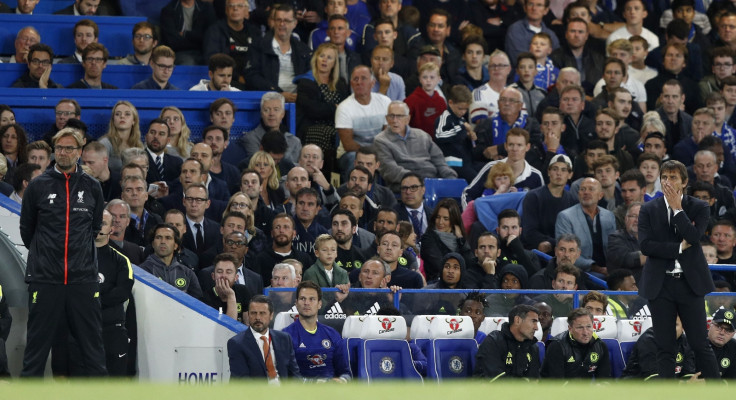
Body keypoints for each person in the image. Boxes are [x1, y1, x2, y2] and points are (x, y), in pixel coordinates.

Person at [19, 127, 107, 377]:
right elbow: (28, 230)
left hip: (83, 279)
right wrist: (46, 255)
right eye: (59, 148)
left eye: (69, 148)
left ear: (79, 152)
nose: (64, 153)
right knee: (35, 350)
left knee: (93, 350)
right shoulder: (38, 186)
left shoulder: (92, 187)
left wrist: (77, 255)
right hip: (45, 279)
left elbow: (94, 226)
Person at [638, 159, 720, 379]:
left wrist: (677, 209)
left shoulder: (699, 207)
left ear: (684, 182)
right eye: (664, 177)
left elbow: (693, 237)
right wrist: (678, 247)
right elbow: (645, 246)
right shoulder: (648, 208)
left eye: (673, 177)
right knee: (665, 346)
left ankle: (718, 390)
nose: (667, 181)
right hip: (660, 284)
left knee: (700, 343)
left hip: (689, 283)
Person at [374, 101, 457, 192]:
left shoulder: (422, 135)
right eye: (391, 116)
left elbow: (440, 162)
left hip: (431, 182)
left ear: (408, 119)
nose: (394, 120)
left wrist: (451, 179)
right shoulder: (381, 140)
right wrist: (417, 182)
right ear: (386, 118)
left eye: (399, 116)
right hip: (404, 185)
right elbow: (390, 170)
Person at [295, 43, 349, 174]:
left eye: (329, 57)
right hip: (310, 127)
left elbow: (346, 108)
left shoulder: (340, 83)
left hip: (335, 127)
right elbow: (313, 110)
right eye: (322, 56)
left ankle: (335, 175)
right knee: (328, 134)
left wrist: (333, 109)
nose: (324, 60)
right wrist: (334, 108)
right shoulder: (306, 82)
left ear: (335, 63)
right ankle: (325, 174)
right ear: (316, 58)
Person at [282, 281, 350, 382]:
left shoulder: (332, 334)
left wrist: (341, 381)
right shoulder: (285, 336)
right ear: (296, 303)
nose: (306, 303)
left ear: (319, 304)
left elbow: (346, 373)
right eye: (302, 299)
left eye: (312, 299)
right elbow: (286, 377)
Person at [244, 4, 311, 101]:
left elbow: (309, 76)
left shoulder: (303, 50)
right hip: (268, 101)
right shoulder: (258, 46)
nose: (282, 24)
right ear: (273, 22)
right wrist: (277, 93)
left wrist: (301, 96)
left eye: (287, 21)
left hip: (298, 103)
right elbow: (252, 76)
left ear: (295, 23)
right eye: (279, 20)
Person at [335, 65, 392, 178]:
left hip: (379, 151)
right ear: (351, 84)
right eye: (355, 79)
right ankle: (354, 194)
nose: (359, 82)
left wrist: (375, 155)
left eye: (363, 78)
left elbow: (388, 137)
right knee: (356, 161)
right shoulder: (344, 107)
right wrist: (370, 156)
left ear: (372, 83)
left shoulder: (385, 102)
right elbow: (348, 145)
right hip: (351, 153)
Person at [227, 295, 302, 380]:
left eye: (262, 313)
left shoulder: (284, 339)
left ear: (271, 315)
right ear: (248, 315)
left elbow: (295, 375)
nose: (258, 317)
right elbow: (242, 382)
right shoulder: (237, 343)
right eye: (253, 313)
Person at [555, 177, 616, 276]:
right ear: (578, 194)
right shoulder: (566, 217)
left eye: (591, 189)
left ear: (600, 195)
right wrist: (598, 269)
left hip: (608, 269)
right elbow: (566, 253)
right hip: (580, 271)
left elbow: (613, 247)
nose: (586, 192)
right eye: (582, 189)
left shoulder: (609, 216)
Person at [521, 154, 576, 253]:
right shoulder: (533, 197)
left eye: (563, 170)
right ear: (548, 172)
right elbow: (529, 232)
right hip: (539, 250)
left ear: (570, 175)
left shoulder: (573, 200)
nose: (559, 173)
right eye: (555, 169)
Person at [474, 304, 541, 380]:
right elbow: (495, 379)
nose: (536, 328)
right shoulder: (493, 341)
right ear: (517, 320)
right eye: (533, 322)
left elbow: (534, 381)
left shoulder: (533, 347)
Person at [541, 308, 611, 379]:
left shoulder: (600, 345)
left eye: (589, 327)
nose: (585, 332)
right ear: (570, 329)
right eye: (580, 327)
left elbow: (604, 379)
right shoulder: (557, 345)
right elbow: (556, 383)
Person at [202, 0, 259, 88]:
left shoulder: (255, 32)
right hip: (227, 81)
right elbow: (213, 60)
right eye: (231, 5)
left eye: (240, 6)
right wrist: (237, 77)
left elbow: (260, 61)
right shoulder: (215, 31)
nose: (235, 8)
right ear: (226, 10)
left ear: (247, 11)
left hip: (251, 79)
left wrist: (250, 78)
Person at [140, 223, 202, 299]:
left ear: (176, 246)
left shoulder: (187, 273)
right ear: (153, 244)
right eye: (158, 237)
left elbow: (198, 303)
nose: (163, 241)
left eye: (168, 238)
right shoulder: (143, 271)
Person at [622, 316, 696, 379]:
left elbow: (688, 374)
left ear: (683, 327)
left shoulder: (685, 342)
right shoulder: (648, 340)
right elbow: (653, 378)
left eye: (675, 325)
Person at [420, 199, 474, 283]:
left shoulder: (460, 241)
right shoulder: (428, 238)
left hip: (460, 284)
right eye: (438, 217)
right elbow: (439, 266)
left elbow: (470, 263)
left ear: (453, 221)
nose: (440, 222)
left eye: (446, 219)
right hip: (437, 284)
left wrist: (460, 238)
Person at [159, 0, 216, 65]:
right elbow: (172, 42)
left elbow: (210, 36)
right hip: (180, 53)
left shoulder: (207, 8)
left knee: (216, 62)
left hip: (205, 51)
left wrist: (186, 34)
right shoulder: (168, 10)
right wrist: (198, 40)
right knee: (188, 62)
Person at [201, 252, 251, 323]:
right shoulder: (205, 299)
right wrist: (231, 296)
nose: (224, 275)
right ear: (213, 276)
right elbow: (229, 327)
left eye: (229, 272)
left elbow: (248, 323)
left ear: (236, 277)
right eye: (220, 271)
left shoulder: (243, 291)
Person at [98, 101, 144, 175]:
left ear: (134, 121)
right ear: (113, 120)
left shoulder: (139, 145)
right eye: (117, 114)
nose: (122, 116)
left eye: (127, 114)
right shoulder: (105, 143)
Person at [708, 308, 736, 379]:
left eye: (728, 330)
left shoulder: (734, 348)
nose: (722, 333)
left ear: (734, 333)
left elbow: (731, 382)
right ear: (710, 324)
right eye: (719, 327)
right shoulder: (695, 341)